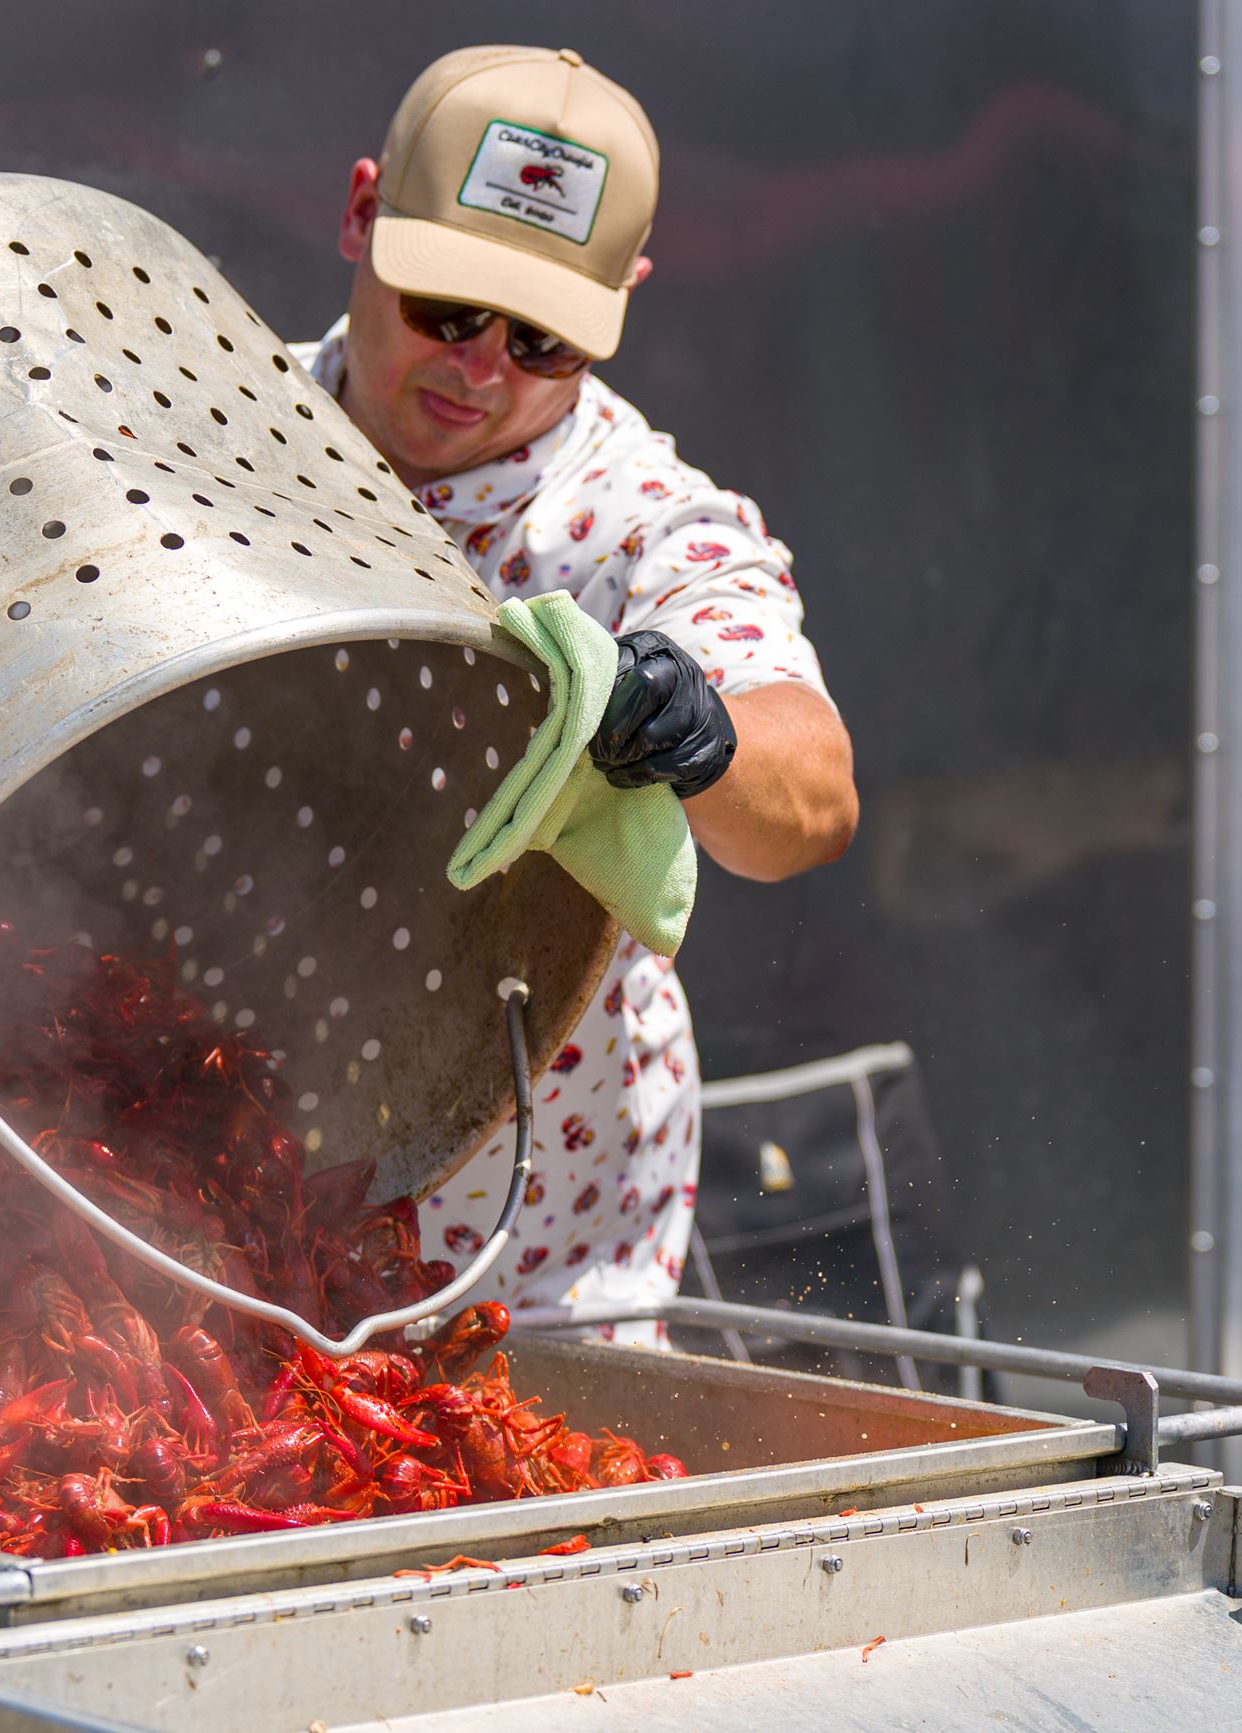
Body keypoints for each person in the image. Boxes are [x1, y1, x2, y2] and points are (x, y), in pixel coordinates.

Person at [298, 45, 858, 1343]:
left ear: (624, 301)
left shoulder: (641, 525)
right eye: (448, 305)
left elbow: (813, 793)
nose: (482, 367)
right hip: (229, 1205)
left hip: (543, 1263)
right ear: (362, 212)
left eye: (542, 336)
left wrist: (706, 734)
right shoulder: (220, 417)